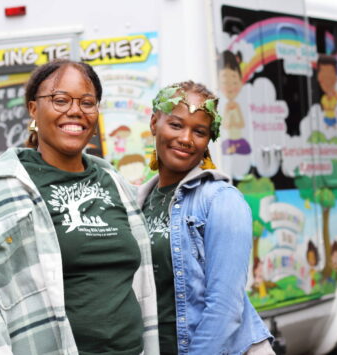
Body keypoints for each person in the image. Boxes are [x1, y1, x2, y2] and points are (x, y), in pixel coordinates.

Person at [0, 59, 159, 355]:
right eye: (60, 100)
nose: (75, 110)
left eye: (87, 102)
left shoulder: (116, 184)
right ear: (33, 109)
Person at [137, 81, 274, 354]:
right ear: (154, 123)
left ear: (208, 139)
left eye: (199, 131)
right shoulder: (141, 200)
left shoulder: (221, 200)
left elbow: (225, 307)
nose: (186, 139)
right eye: (176, 125)